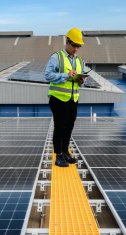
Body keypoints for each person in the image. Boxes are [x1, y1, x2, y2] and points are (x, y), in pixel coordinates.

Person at [44, 28, 87, 167]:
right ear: (67, 42)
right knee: (60, 127)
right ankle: (58, 155)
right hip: (58, 98)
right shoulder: (56, 57)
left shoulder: (80, 61)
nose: (76, 49)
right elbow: (48, 75)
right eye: (74, 45)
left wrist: (81, 80)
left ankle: (65, 152)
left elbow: (79, 79)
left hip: (73, 99)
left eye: (78, 46)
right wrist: (66, 75)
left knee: (69, 127)